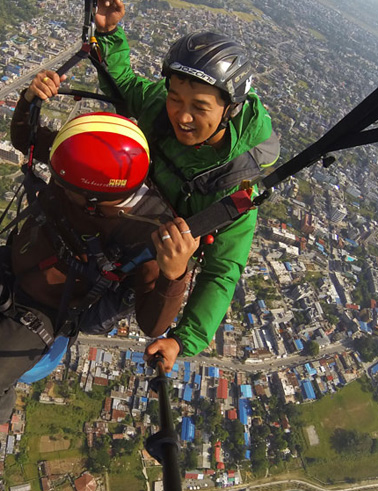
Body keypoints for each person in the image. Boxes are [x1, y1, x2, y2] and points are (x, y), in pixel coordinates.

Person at [0, 78, 199, 443]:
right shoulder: (83, 166)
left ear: (93, 196)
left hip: (46, 311)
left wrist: (174, 274)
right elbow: (26, 140)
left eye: (65, 183)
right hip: (8, 265)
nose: (56, 182)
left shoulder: (147, 233)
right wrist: (29, 99)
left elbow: (153, 324)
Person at [88, 0, 279, 371]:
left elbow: (221, 272)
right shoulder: (161, 110)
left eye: (200, 107)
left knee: (89, 319)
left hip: (154, 260)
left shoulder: (234, 190)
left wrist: (181, 340)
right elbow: (124, 85)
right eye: (175, 99)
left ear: (230, 109)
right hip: (118, 220)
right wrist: (108, 32)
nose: (183, 116)